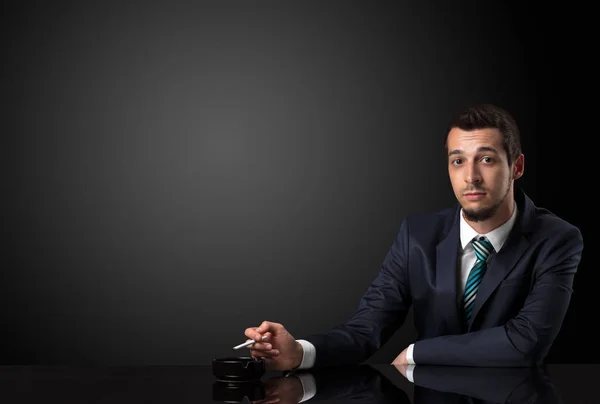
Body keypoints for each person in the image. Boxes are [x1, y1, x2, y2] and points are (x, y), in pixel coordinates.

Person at [243, 103, 584, 371]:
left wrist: (418, 352)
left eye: (487, 159)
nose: (471, 177)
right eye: (457, 161)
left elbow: (525, 343)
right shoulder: (417, 235)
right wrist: (299, 352)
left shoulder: (556, 239)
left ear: (517, 167)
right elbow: (366, 329)